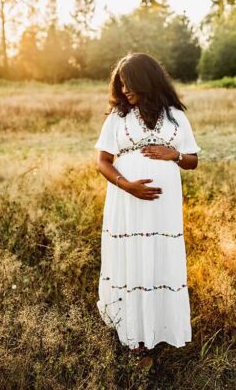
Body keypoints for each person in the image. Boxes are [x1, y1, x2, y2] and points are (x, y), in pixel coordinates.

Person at [94, 52, 200, 357]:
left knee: (158, 259)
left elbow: (193, 160)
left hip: (163, 208)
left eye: (131, 83)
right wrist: (126, 185)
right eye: (121, 84)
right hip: (126, 202)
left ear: (148, 80)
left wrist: (175, 155)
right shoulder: (118, 117)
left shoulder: (176, 117)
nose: (125, 90)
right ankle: (134, 337)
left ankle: (159, 328)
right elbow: (102, 162)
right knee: (132, 259)